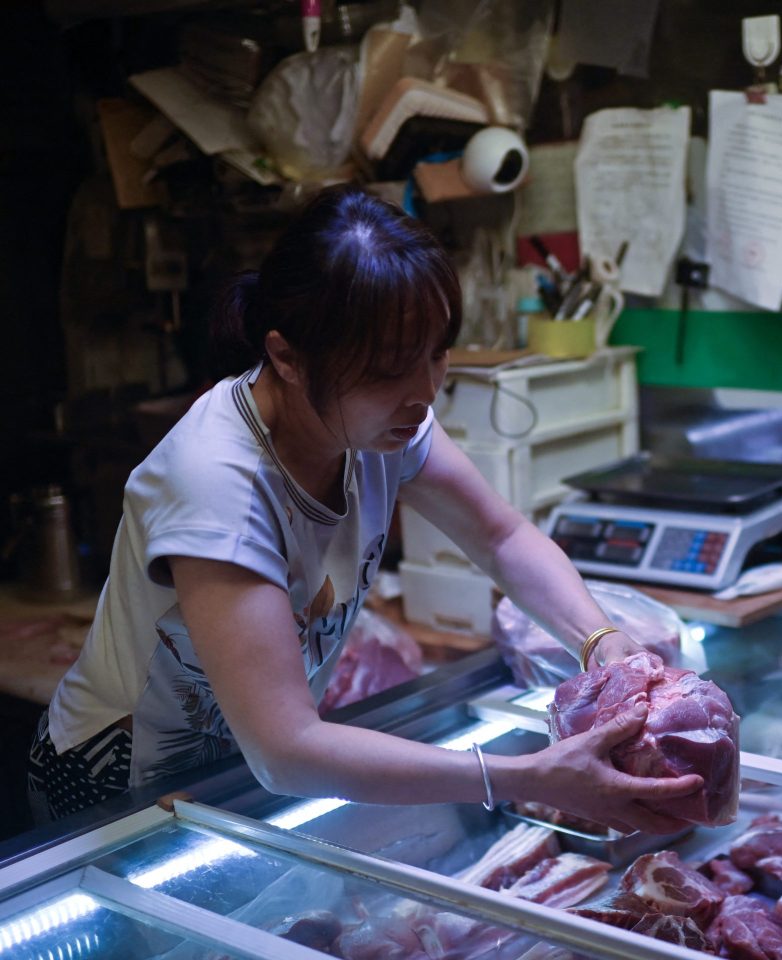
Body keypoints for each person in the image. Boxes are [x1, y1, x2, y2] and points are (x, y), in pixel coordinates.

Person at [28, 186, 700, 835]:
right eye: (387, 369)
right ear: (286, 357)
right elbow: (288, 747)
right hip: (119, 778)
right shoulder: (217, 485)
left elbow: (500, 536)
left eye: (436, 355)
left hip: (243, 763)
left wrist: (600, 641)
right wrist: (525, 775)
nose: (421, 393)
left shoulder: (382, 424)